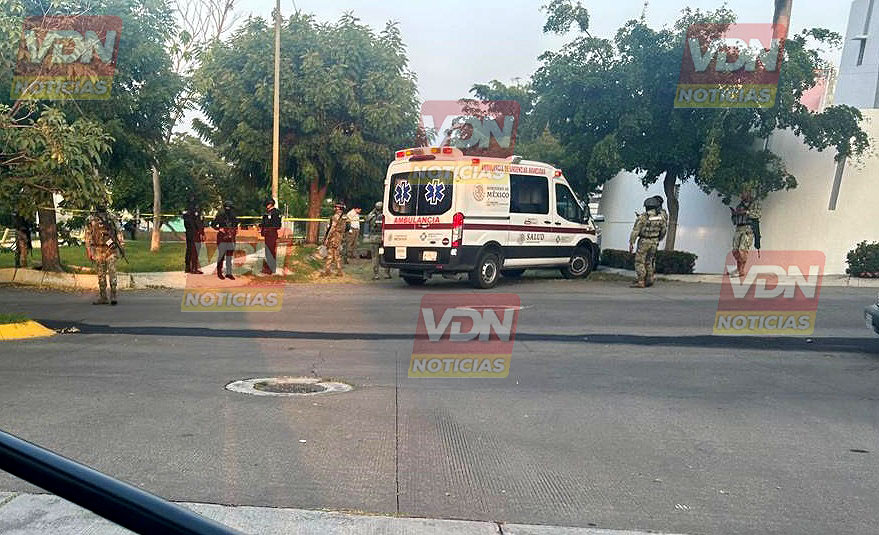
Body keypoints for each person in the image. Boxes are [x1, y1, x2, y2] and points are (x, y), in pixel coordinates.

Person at [85, 206, 124, 305]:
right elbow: (88, 236)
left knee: (112, 272)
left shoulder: (112, 217)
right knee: (101, 274)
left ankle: (113, 295)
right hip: (98, 249)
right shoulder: (91, 219)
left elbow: (119, 231)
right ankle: (103, 297)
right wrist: (89, 250)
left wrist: (121, 245)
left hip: (110, 249)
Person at [629, 196, 668, 288]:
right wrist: (658, 238)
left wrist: (631, 242)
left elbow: (636, 231)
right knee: (649, 261)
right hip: (654, 241)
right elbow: (663, 231)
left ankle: (641, 281)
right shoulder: (661, 217)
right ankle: (649, 280)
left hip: (644, 241)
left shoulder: (643, 217)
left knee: (639, 261)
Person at [729, 188, 761, 278]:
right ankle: (738, 268)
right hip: (738, 228)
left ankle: (741, 270)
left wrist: (746, 212)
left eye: (743, 193)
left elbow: (758, 215)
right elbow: (734, 221)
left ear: (748, 193)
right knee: (735, 251)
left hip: (748, 229)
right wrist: (734, 214)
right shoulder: (739, 205)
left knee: (742, 250)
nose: (741, 195)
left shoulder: (755, 203)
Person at [211, 200, 238, 280]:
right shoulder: (220, 215)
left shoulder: (233, 216)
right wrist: (219, 229)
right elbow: (213, 224)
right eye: (228, 207)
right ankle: (219, 272)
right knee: (221, 256)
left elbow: (236, 225)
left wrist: (234, 231)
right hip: (222, 237)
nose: (229, 209)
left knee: (229, 256)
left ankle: (229, 273)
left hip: (230, 237)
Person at [365, 201, 391, 280]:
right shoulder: (386, 214)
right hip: (384, 237)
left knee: (375, 257)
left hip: (374, 238)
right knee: (386, 255)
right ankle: (387, 273)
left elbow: (367, 220)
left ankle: (376, 274)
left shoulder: (372, 215)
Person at [321, 203, 345, 277]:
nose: (334, 208)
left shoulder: (335, 217)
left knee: (330, 254)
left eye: (336, 207)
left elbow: (332, 228)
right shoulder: (344, 217)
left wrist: (326, 239)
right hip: (339, 237)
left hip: (333, 237)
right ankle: (339, 271)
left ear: (338, 208)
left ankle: (327, 271)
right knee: (337, 255)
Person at [259, 197, 281, 274]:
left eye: (267, 204)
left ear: (270, 204)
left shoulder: (275, 213)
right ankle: (268, 268)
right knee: (267, 251)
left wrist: (268, 228)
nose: (266, 206)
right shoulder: (267, 213)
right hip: (267, 234)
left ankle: (271, 269)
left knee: (271, 251)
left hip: (272, 234)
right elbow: (264, 222)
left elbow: (277, 225)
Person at [182, 198, 205, 274]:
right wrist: (201, 232)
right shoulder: (195, 212)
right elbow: (198, 223)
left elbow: (186, 223)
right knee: (195, 250)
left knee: (188, 249)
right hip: (195, 233)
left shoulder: (185, 212)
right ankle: (194, 268)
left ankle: (187, 267)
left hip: (188, 233)